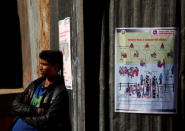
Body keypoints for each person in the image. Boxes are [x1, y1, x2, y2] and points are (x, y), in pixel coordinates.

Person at [11, 50, 71, 131]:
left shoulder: (59, 92)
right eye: (40, 63)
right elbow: (15, 105)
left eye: (44, 64)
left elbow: (47, 121)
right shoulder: (35, 84)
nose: (40, 67)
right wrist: (36, 111)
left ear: (56, 67)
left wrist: (22, 114)